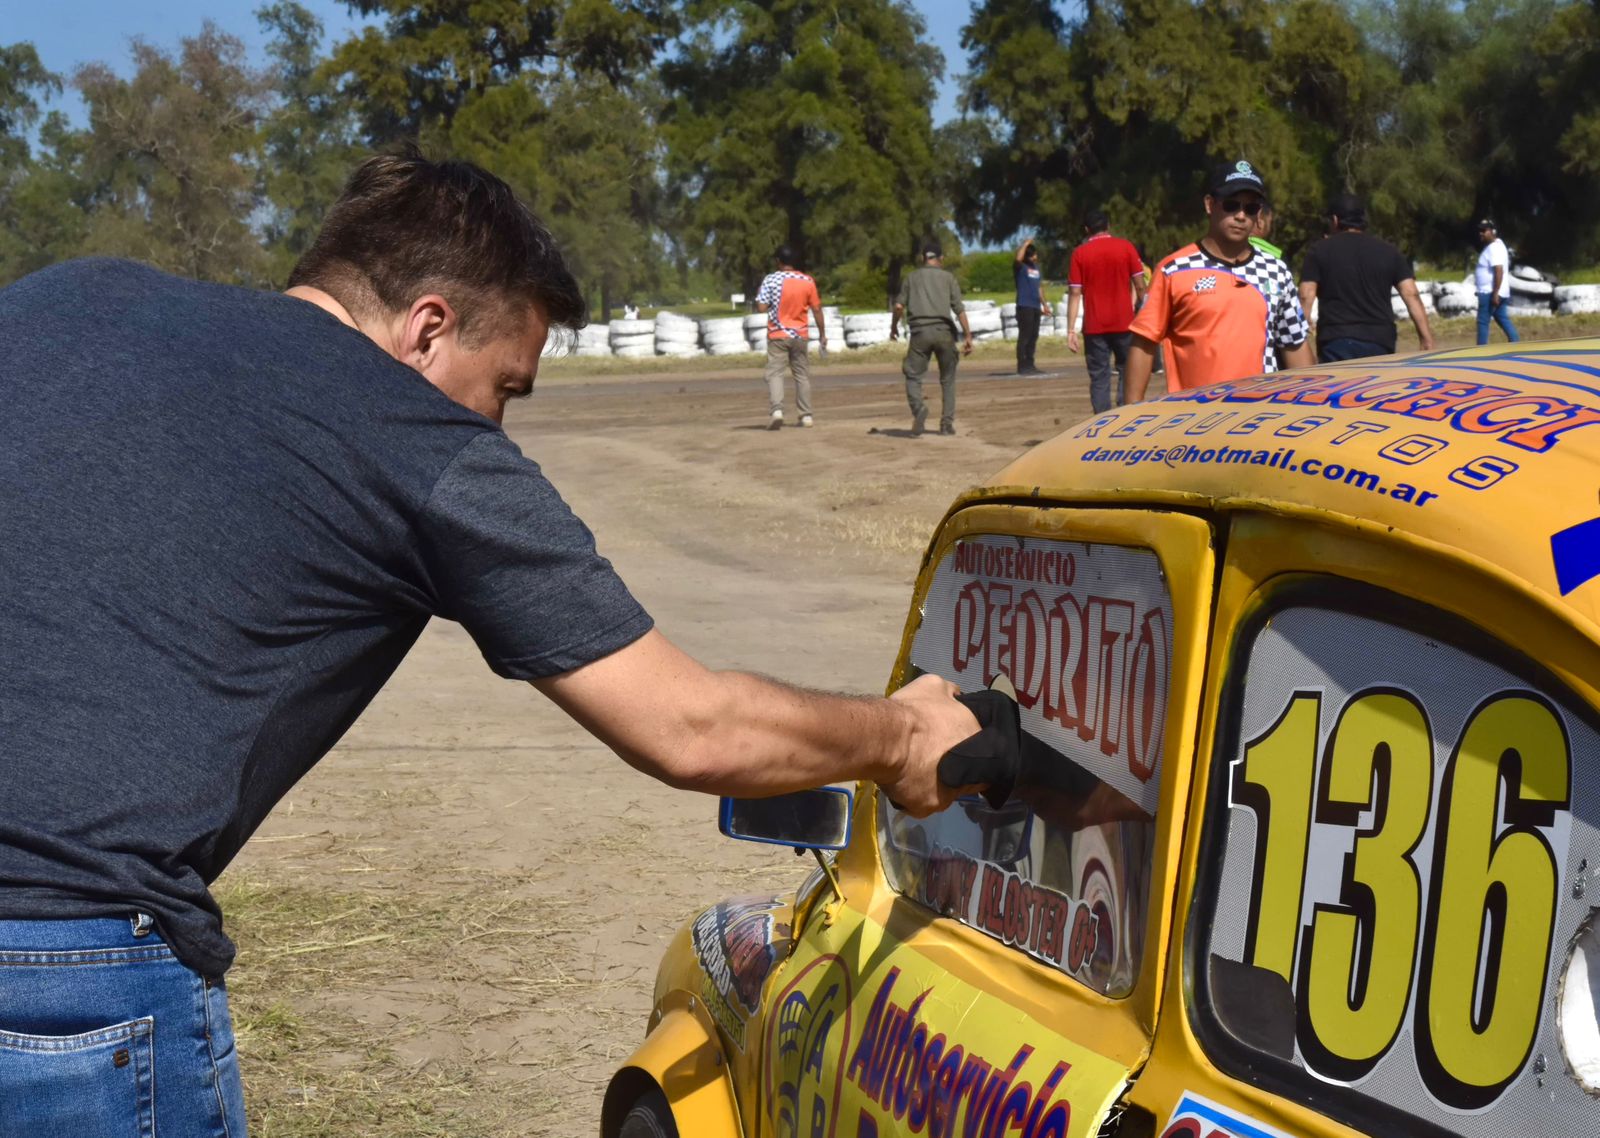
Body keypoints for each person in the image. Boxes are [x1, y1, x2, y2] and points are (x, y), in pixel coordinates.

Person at [0, 148, 981, 1135]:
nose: (501, 424)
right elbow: (694, 726)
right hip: (67, 971)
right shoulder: (415, 438)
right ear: (427, 328)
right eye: (506, 385)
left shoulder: (64, 299)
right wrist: (900, 738)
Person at [1125, 159, 1313, 401]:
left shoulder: (1276, 271)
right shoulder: (1173, 270)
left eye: (1251, 208)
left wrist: (1309, 403)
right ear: (1209, 204)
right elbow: (1143, 343)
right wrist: (1130, 412)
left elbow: (1295, 346)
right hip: (1196, 421)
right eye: (1231, 205)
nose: (1241, 216)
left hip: (1262, 418)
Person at [1298, 192, 1435, 362]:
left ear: (1334, 220)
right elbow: (1410, 293)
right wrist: (1426, 338)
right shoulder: (1389, 251)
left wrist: (1299, 337)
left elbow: (1306, 295)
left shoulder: (1319, 251)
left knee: (1341, 388)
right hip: (1379, 340)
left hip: (1336, 339)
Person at [1066, 210, 1148, 412]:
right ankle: (1124, 413)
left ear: (1086, 230)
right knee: (1127, 370)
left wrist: (1070, 331)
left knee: (1099, 376)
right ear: (1108, 226)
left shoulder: (1079, 254)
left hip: (1094, 326)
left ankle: (1101, 420)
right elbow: (1139, 285)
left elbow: (1075, 293)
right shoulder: (1126, 247)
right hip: (1124, 322)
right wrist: (1144, 313)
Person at [890, 244, 973, 436]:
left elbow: (899, 306)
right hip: (944, 333)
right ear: (941, 258)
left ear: (922, 258)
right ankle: (946, 425)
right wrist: (968, 335)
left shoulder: (911, 278)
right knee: (948, 380)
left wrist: (894, 327)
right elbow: (959, 309)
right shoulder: (948, 278)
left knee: (913, 375)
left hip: (920, 333)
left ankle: (919, 409)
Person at [755, 246, 827, 429]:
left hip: (778, 334)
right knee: (802, 375)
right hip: (800, 335)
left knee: (775, 374)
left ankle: (777, 411)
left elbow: (761, 308)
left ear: (778, 261)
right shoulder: (807, 281)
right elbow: (817, 309)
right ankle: (806, 416)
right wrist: (822, 334)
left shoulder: (771, 279)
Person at [1474, 218, 1520, 345]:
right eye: (1480, 230)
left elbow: (1498, 270)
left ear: (1492, 231)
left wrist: (1495, 292)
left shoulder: (1494, 248)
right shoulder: (1497, 245)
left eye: (1484, 230)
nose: (1481, 233)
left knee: (1482, 321)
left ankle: (1481, 350)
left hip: (1490, 292)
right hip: (1494, 291)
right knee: (1502, 318)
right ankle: (1516, 342)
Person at [1012, 238, 1052, 375]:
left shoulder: (1036, 269)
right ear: (1028, 255)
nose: (1036, 257)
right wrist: (1025, 244)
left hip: (1035, 306)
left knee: (1034, 336)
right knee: (1025, 336)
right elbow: (1018, 258)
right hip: (1024, 306)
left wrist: (1044, 305)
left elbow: (1039, 287)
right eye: (1033, 254)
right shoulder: (1020, 267)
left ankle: (1030, 364)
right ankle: (1022, 366)